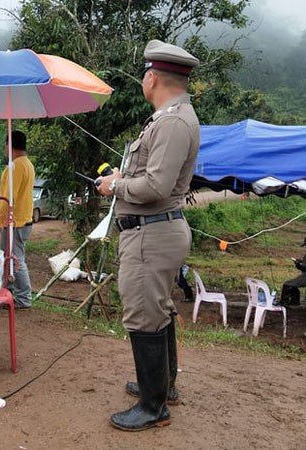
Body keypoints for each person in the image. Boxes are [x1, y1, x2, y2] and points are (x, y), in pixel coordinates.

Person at [96, 40, 200, 431]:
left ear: (152, 77)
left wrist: (115, 187)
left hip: (151, 232)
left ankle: (153, 405)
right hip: (154, 231)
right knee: (158, 310)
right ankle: (160, 387)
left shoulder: (172, 121)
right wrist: (125, 179)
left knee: (144, 314)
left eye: (144, 74)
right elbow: (156, 178)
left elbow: (156, 187)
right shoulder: (172, 117)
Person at [0, 130, 35, 309]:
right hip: (23, 219)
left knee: (16, 259)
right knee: (10, 258)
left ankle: (24, 298)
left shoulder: (15, 167)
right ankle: (7, 291)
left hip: (15, 221)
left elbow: (8, 197)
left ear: (10, 145)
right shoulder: (27, 164)